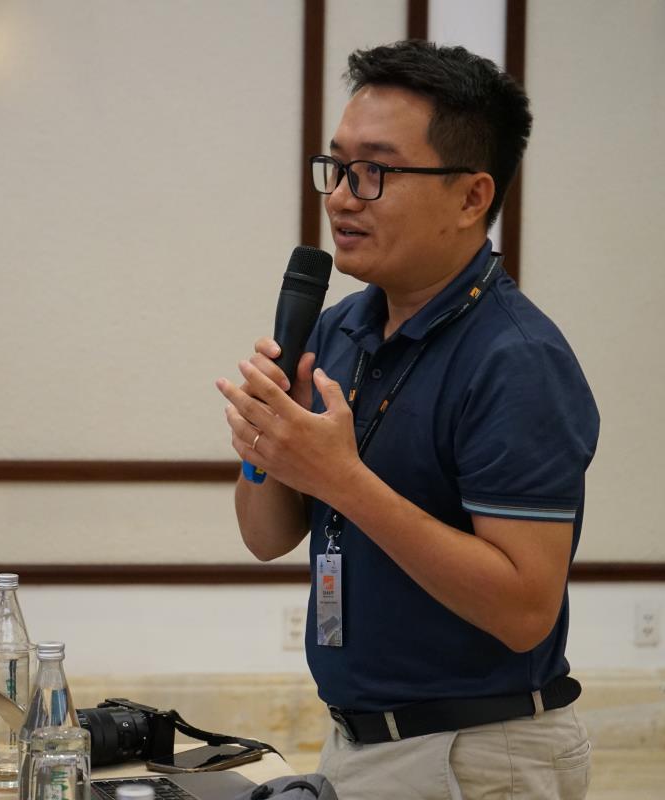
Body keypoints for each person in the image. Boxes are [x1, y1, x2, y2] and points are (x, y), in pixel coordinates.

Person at [216, 41, 599, 799]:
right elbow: (265, 537)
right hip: (358, 741)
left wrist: (343, 480)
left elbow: (525, 609)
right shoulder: (338, 328)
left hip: (478, 756)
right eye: (336, 168)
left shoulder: (516, 359)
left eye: (375, 172)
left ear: (471, 197)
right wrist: (268, 442)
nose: (341, 198)